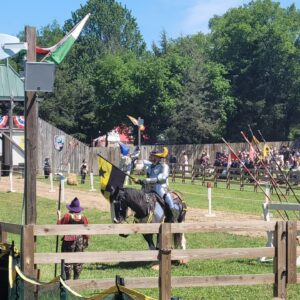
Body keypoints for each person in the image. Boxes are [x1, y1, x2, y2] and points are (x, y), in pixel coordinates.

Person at [137, 147, 177, 222]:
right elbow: (140, 163)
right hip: (148, 188)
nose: (150, 157)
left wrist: (147, 180)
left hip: (160, 187)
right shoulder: (149, 166)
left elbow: (162, 179)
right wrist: (139, 181)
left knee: (167, 196)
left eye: (152, 156)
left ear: (158, 158)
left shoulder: (164, 166)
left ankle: (173, 214)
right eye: (151, 155)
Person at [57, 197, 89, 280]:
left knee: (67, 260)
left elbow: (59, 227)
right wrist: (86, 240)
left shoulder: (67, 216)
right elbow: (86, 232)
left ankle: (67, 280)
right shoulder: (83, 218)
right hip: (80, 241)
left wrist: (59, 216)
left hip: (69, 240)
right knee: (78, 261)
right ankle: (76, 279)